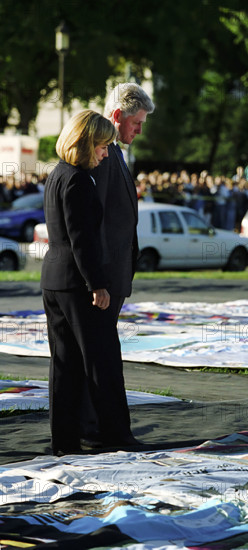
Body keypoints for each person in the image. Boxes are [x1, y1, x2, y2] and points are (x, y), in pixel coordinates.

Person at [41, 110, 137, 456]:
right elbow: (82, 239)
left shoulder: (57, 174)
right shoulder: (80, 180)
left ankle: (63, 442)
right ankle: (114, 436)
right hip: (77, 282)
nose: (106, 153)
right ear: (86, 143)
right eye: (101, 146)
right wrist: (97, 284)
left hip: (54, 279)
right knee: (103, 361)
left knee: (64, 366)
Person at [87, 83, 154, 445]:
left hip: (113, 275)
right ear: (118, 116)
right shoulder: (103, 155)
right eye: (137, 122)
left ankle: (99, 427)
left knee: (103, 355)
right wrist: (96, 279)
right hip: (104, 279)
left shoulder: (116, 154)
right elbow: (93, 220)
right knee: (99, 358)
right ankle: (97, 429)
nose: (139, 130)